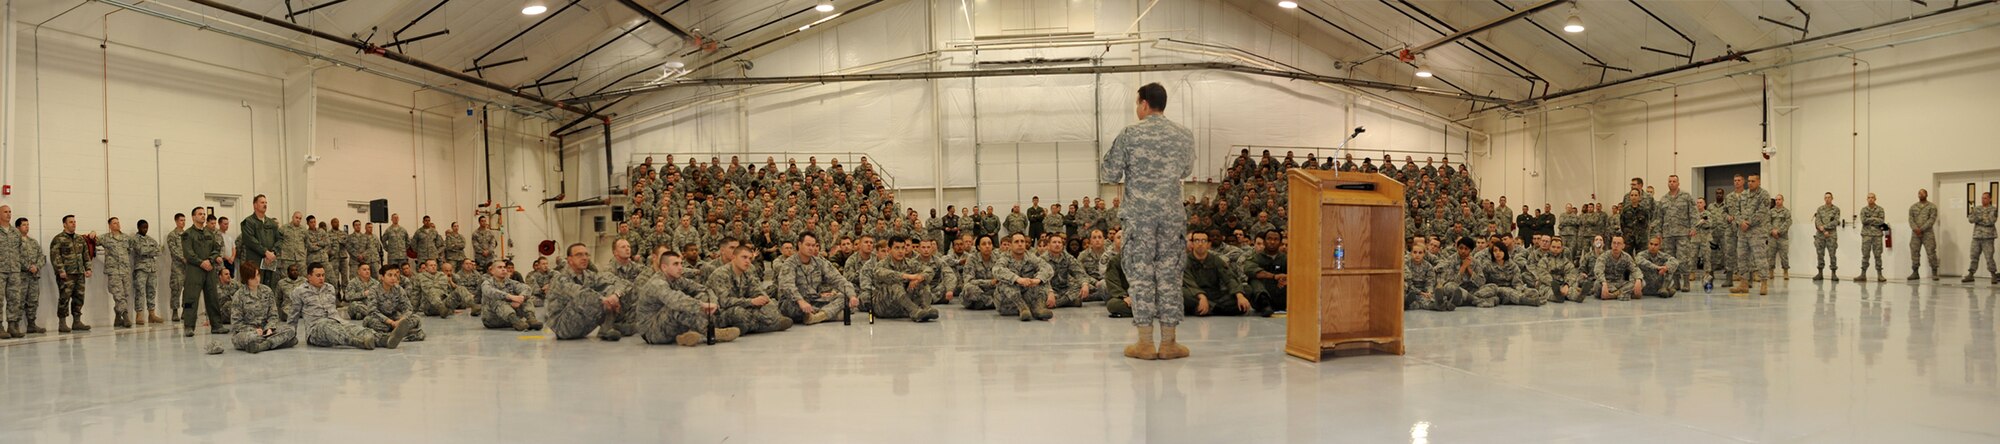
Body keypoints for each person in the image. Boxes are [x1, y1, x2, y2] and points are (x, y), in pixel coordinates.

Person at [1100, 82, 1194, 361]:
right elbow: (1187, 169)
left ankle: (1144, 343)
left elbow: (1110, 172)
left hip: (1140, 217)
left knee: (1140, 275)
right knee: (1169, 275)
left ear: (1143, 104)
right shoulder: (1183, 135)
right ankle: (1169, 343)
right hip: (1171, 216)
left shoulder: (1130, 134)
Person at [623, 251, 737, 346]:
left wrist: (712, 302)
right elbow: (676, 300)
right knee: (677, 306)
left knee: (701, 296)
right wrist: (702, 305)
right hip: (652, 331)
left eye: (681, 264)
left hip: (668, 325)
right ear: (664, 267)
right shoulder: (656, 283)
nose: (680, 268)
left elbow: (704, 289)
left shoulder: (677, 279)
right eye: (676, 264)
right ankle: (710, 333)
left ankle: (685, 337)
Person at [290, 262, 409, 349]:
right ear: (309, 276)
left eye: (323, 275)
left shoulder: (329, 288)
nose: (322, 278)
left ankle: (385, 339)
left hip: (336, 321)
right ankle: (361, 342)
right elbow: (293, 316)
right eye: (318, 275)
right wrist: (291, 336)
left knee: (355, 328)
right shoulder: (299, 291)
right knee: (329, 327)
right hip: (316, 328)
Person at [703, 243, 793, 335]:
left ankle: (747, 327)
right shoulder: (720, 274)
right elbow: (724, 302)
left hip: (743, 306)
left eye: (750, 258)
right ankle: (766, 325)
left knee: (770, 306)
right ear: (734, 257)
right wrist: (751, 302)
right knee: (739, 313)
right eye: (744, 257)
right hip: (721, 313)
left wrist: (765, 300)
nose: (747, 261)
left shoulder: (746, 273)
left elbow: (757, 290)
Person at [545, 243, 630, 340]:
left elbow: (620, 282)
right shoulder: (560, 278)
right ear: (570, 260)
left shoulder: (589, 275)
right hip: (563, 326)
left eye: (586, 254)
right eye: (579, 255)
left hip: (583, 325)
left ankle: (606, 329)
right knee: (587, 296)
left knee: (612, 289)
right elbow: (581, 294)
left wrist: (615, 295)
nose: (585, 258)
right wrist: (605, 300)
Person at [773, 232, 855, 325]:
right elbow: (787, 286)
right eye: (808, 245)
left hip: (814, 300)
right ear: (799, 245)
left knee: (845, 298)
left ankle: (818, 316)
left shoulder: (819, 262)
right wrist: (801, 301)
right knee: (791, 306)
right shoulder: (790, 263)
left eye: (813, 245)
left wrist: (851, 295)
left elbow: (837, 279)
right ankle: (830, 314)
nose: (811, 248)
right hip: (795, 302)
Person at [870, 236, 942, 322]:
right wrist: (909, 276)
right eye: (897, 248)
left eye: (903, 248)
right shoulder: (882, 264)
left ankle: (926, 308)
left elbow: (929, 270)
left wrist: (918, 279)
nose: (900, 251)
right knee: (895, 284)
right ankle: (914, 311)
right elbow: (880, 273)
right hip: (883, 307)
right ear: (889, 250)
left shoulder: (910, 263)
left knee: (923, 282)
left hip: (902, 307)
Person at [229, 266, 297, 354]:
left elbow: (273, 315)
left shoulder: (267, 291)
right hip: (248, 333)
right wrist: (254, 331)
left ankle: (262, 346)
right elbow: (236, 324)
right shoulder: (238, 296)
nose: (257, 279)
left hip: (267, 331)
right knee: (251, 338)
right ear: (246, 279)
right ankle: (278, 342)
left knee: (291, 330)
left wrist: (269, 328)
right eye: (253, 277)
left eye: (258, 275)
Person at [1183, 231, 1251, 316]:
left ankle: (1207, 309)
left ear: (1208, 244)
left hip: (1215, 296)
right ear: (1192, 244)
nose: (1200, 244)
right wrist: (1201, 296)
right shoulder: (1185, 261)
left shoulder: (1216, 260)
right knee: (1180, 293)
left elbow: (1229, 278)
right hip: (1195, 296)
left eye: (1203, 241)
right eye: (1197, 240)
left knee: (1247, 289)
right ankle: (1218, 309)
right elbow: (1189, 283)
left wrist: (1239, 295)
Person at [992, 233, 1054, 322]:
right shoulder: (1004, 257)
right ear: (1011, 245)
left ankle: (1038, 308)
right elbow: (997, 269)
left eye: (1022, 241)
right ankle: (1022, 308)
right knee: (1005, 281)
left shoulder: (1031, 257)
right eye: (1016, 242)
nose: (1020, 244)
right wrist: (1017, 279)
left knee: (1042, 279)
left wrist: (1037, 280)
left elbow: (1047, 268)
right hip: (1008, 305)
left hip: (1028, 301)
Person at [51, 215, 92, 333]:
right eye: (71, 222)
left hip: (79, 273)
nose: (74, 224)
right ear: (64, 224)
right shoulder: (58, 239)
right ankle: (62, 323)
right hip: (66, 274)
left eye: (74, 222)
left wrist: (88, 268)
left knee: (79, 298)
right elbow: (55, 256)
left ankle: (77, 321)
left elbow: (86, 255)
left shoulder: (80, 239)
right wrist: (60, 270)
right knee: (64, 298)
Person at [361, 268, 425, 342]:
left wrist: (400, 321)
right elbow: (373, 311)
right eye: (390, 275)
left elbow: (408, 309)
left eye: (395, 275)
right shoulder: (374, 290)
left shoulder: (398, 289)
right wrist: (391, 322)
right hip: (381, 319)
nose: (393, 278)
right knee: (371, 322)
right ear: (382, 277)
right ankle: (402, 334)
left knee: (416, 318)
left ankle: (392, 334)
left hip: (395, 318)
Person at [478, 260, 545, 331]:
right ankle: (516, 322)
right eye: (499, 267)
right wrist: (511, 297)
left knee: (526, 298)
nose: (503, 269)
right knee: (497, 300)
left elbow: (527, 288)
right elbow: (490, 292)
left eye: (504, 267)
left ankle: (531, 319)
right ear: (492, 271)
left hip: (509, 320)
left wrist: (521, 298)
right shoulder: (487, 283)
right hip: (492, 320)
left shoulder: (510, 282)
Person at [99, 217, 138, 327]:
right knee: (118, 295)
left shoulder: (126, 238)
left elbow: (131, 249)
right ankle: (125, 317)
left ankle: (117, 317)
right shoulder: (105, 238)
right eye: (115, 223)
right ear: (110, 226)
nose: (117, 224)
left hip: (125, 271)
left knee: (124, 295)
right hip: (114, 271)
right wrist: (92, 233)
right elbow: (93, 241)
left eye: (118, 222)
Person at [240, 194, 282, 290]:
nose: (265, 205)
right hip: (255, 261)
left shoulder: (272, 223)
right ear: (255, 205)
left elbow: (279, 239)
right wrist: (265, 252)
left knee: (269, 288)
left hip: (270, 261)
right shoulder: (248, 222)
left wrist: (273, 253)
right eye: (262, 202)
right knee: (254, 287)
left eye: (266, 202)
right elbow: (250, 240)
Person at [1403, 241, 1454, 311]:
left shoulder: (1428, 266)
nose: (1417, 255)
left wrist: (1428, 292)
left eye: (1420, 253)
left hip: (1423, 289)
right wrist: (1420, 292)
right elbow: (1408, 282)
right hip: (1411, 290)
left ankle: (1443, 304)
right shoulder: (1406, 264)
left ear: (1424, 254)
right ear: (1411, 253)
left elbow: (1430, 281)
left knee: (1428, 299)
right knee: (1416, 300)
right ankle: (1441, 305)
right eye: (1414, 252)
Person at [1246, 230, 1287, 317]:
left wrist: (1286, 278)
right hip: (1262, 296)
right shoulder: (1255, 257)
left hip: (1281, 294)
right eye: (1269, 239)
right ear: (1264, 242)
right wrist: (1274, 276)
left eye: (1276, 239)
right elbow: (1249, 269)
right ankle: (1265, 304)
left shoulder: (1286, 258)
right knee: (1253, 280)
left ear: (1280, 243)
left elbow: (1300, 272)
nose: (1272, 242)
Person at [1597, 235, 1643, 301]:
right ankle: (1623, 293)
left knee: (1642, 282)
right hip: (1608, 283)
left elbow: (1635, 269)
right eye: (1614, 243)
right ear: (1611, 245)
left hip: (1621, 283)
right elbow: (1599, 271)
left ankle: (1613, 295)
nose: (1616, 245)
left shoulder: (1626, 257)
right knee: (1597, 285)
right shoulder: (1604, 256)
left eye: (1618, 243)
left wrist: (1638, 279)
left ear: (1623, 246)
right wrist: (1604, 283)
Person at [1910, 189, 1940, 281]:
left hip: (1928, 233)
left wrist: (1922, 229)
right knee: (1914, 252)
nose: (1921, 194)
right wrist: (1916, 229)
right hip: (1915, 234)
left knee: (1931, 252)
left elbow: (1932, 219)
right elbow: (1911, 220)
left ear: (1926, 194)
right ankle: (1915, 272)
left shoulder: (1932, 207)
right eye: (1919, 193)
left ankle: (1934, 272)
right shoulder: (1913, 207)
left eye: (1923, 193)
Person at [1968, 192, 1998, 284]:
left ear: (1990, 199)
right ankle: (1971, 275)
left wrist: (1978, 218)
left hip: (1988, 237)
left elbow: (1991, 221)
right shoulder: (1977, 208)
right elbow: (1970, 219)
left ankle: (1993, 275)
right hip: (1977, 236)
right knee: (1974, 256)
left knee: (1989, 257)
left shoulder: (1993, 209)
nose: (1983, 200)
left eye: (1985, 198)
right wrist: (1982, 218)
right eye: (1982, 198)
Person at [1857, 193, 1887, 282]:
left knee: (1878, 255)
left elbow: (1881, 221)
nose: (1870, 199)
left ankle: (1880, 275)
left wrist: (1870, 219)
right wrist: (1875, 219)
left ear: (1875, 199)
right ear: (1867, 199)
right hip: (1866, 235)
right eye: (1869, 198)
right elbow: (1863, 221)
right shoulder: (1863, 210)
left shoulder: (1880, 209)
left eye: (1872, 198)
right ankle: (1863, 274)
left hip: (1877, 235)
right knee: (1865, 255)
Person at [1813, 192, 1842, 281]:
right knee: (1820, 254)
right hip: (1820, 235)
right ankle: (1820, 273)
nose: (1827, 199)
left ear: (1832, 198)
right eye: (1826, 197)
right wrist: (1823, 230)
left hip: (1831, 235)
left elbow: (1835, 222)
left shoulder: (1836, 209)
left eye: (1829, 197)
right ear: (1824, 198)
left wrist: (1824, 228)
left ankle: (1833, 274)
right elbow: (1817, 221)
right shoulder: (1820, 209)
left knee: (1832, 254)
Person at [1769, 194, 1793, 280]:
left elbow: (1788, 223)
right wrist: (1772, 231)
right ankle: (1771, 272)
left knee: (1784, 256)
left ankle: (1785, 272)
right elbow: (1767, 222)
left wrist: (1778, 231)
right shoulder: (1771, 212)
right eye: (1776, 200)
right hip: (1772, 237)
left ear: (1782, 200)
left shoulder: (1786, 212)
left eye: (1779, 199)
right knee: (1770, 255)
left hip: (1782, 237)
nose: (1777, 201)